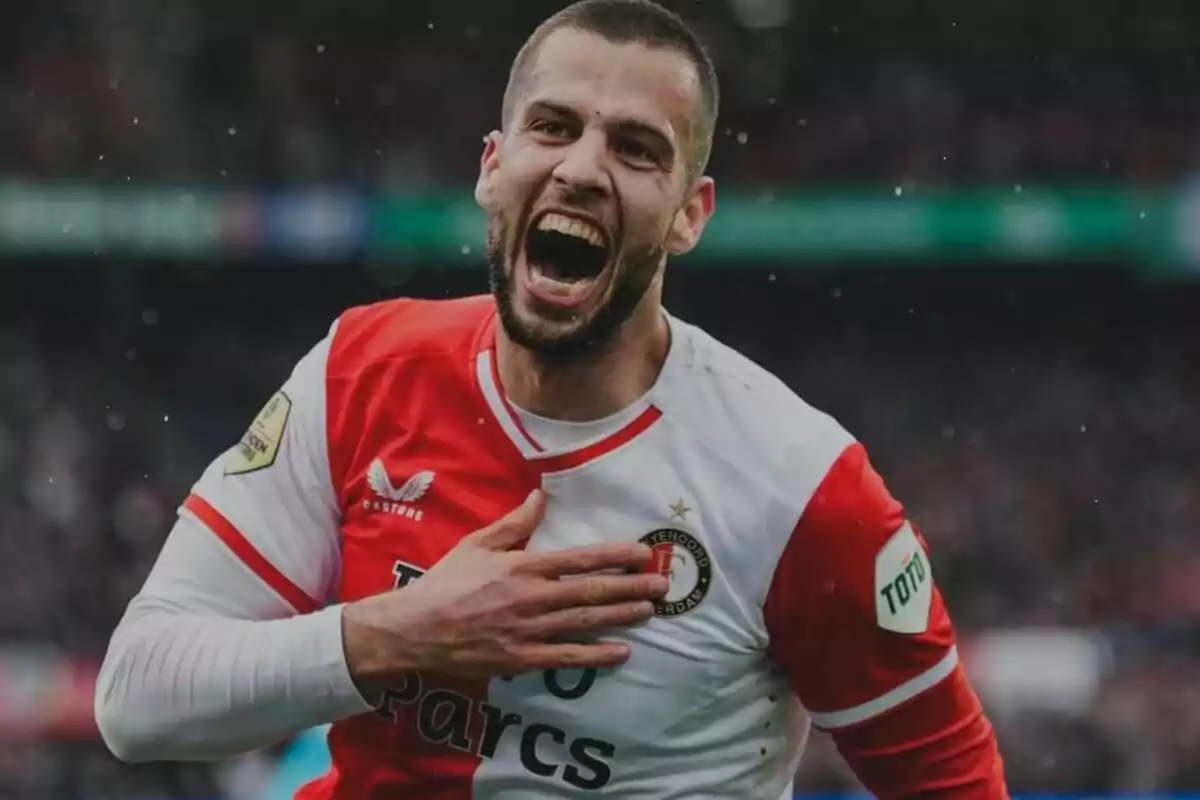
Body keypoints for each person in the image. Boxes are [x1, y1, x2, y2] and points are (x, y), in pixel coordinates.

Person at [94, 0, 1010, 796]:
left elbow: (954, 785)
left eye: (637, 149)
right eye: (554, 126)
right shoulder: (362, 369)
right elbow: (136, 697)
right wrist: (402, 633)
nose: (581, 167)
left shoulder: (802, 487)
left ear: (691, 213)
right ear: (494, 165)